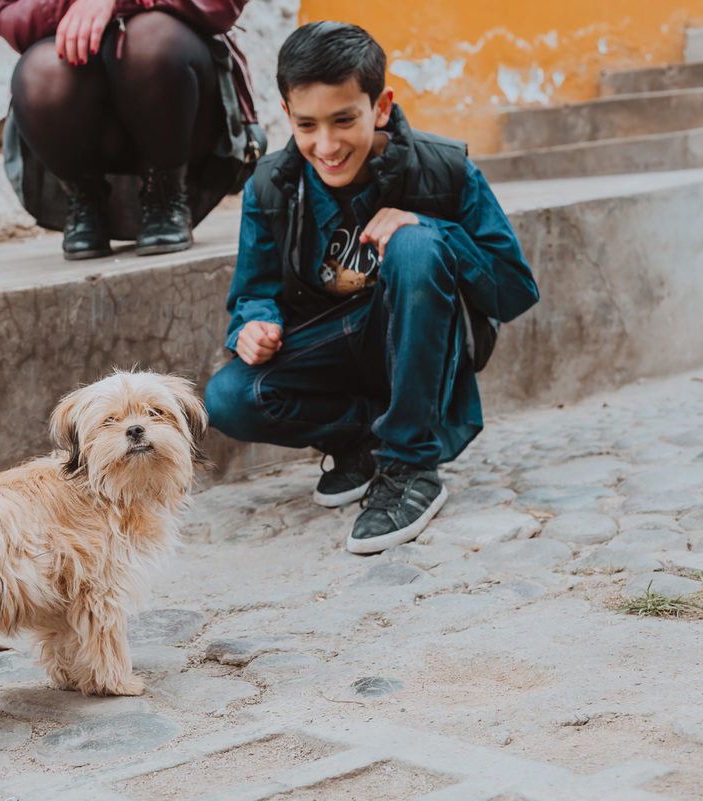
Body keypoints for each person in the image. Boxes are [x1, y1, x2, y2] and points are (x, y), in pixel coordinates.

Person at [204, 22, 540, 555]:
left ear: (380, 107)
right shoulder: (269, 186)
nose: (326, 145)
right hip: (330, 347)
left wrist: (432, 229)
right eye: (307, 124)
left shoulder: (444, 168)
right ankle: (362, 443)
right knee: (227, 398)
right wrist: (254, 323)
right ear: (287, 114)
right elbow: (254, 291)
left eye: (344, 120)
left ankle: (410, 465)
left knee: (416, 245)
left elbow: (514, 290)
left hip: (419, 350)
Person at [0, 0, 265, 260]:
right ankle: (85, 197)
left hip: (181, 101)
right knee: (43, 69)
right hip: (87, 117)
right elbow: (10, 15)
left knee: (151, 38)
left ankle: (166, 193)